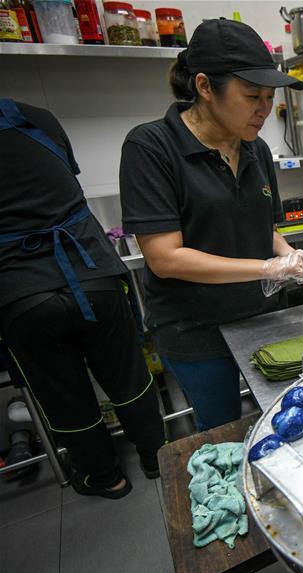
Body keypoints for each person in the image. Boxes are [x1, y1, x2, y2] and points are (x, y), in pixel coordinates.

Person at [119, 19, 303, 431]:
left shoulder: (256, 149)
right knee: (224, 429)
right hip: (196, 331)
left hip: (263, 317)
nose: (264, 109)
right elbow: (165, 258)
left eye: (269, 97)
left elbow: (265, 229)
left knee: (282, 417)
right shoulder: (152, 147)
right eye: (252, 96)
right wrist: (268, 268)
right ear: (205, 87)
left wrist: (292, 258)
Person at [0, 98, 165, 499]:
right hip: (93, 272)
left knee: (63, 393)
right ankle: (157, 457)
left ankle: (104, 477)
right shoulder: (34, 117)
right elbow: (66, 180)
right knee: (128, 373)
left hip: (23, 292)